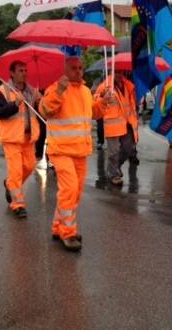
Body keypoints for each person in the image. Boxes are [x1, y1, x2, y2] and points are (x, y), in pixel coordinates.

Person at [39, 56, 111, 252]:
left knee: (74, 193)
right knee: (69, 190)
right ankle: (68, 233)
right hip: (61, 150)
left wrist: (103, 102)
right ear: (64, 70)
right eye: (73, 68)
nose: (78, 72)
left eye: (80, 68)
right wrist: (60, 91)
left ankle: (57, 226)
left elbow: (94, 113)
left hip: (80, 151)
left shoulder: (87, 91)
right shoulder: (56, 88)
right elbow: (45, 110)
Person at [0, 61, 41, 218]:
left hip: (28, 137)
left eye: (26, 70)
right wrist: (15, 103)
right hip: (12, 139)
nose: (24, 73)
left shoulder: (31, 90)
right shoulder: (2, 91)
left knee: (30, 165)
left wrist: (40, 100)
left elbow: (39, 112)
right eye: (20, 70)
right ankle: (18, 204)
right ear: (11, 73)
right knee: (16, 171)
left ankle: (9, 184)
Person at [94, 70, 139, 186]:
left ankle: (115, 166)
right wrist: (102, 98)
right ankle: (113, 174)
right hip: (112, 125)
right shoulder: (104, 86)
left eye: (122, 72)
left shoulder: (128, 86)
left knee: (129, 148)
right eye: (117, 72)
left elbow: (131, 103)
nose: (120, 75)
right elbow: (95, 104)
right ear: (111, 72)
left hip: (127, 122)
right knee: (113, 152)